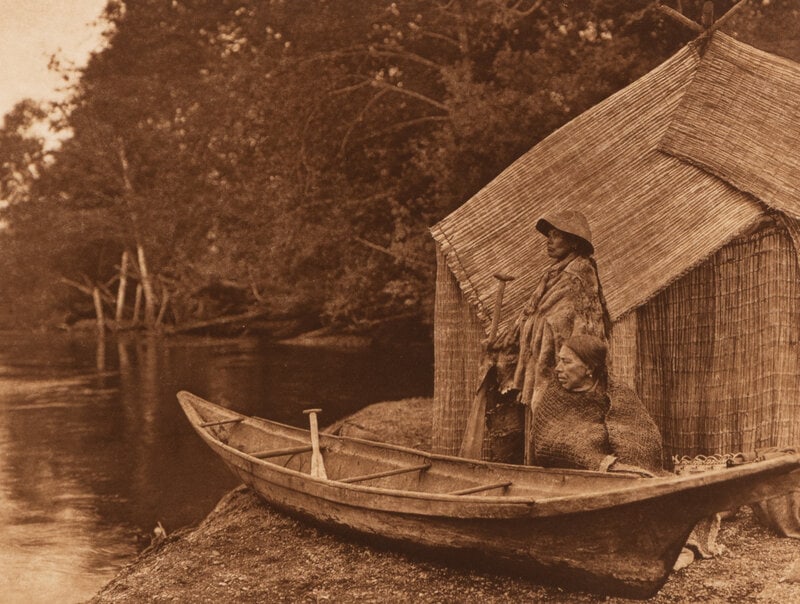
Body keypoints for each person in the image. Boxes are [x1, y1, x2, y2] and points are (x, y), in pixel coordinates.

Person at [494, 210, 611, 464]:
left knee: (558, 424)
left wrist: (548, 333)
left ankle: (555, 471)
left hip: (566, 369)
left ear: (574, 242)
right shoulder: (552, 274)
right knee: (538, 421)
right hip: (543, 365)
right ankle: (535, 470)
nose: (549, 241)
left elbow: (583, 328)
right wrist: (512, 336)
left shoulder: (580, 276)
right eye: (549, 235)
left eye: (556, 235)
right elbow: (534, 314)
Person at [533, 334, 664, 475]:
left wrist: (627, 467)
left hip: (625, 478)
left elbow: (643, 438)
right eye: (560, 360)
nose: (558, 368)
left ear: (589, 368)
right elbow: (547, 444)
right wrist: (604, 462)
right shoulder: (553, 397)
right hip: (570, 478)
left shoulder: (620, 394)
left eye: (566, 362)